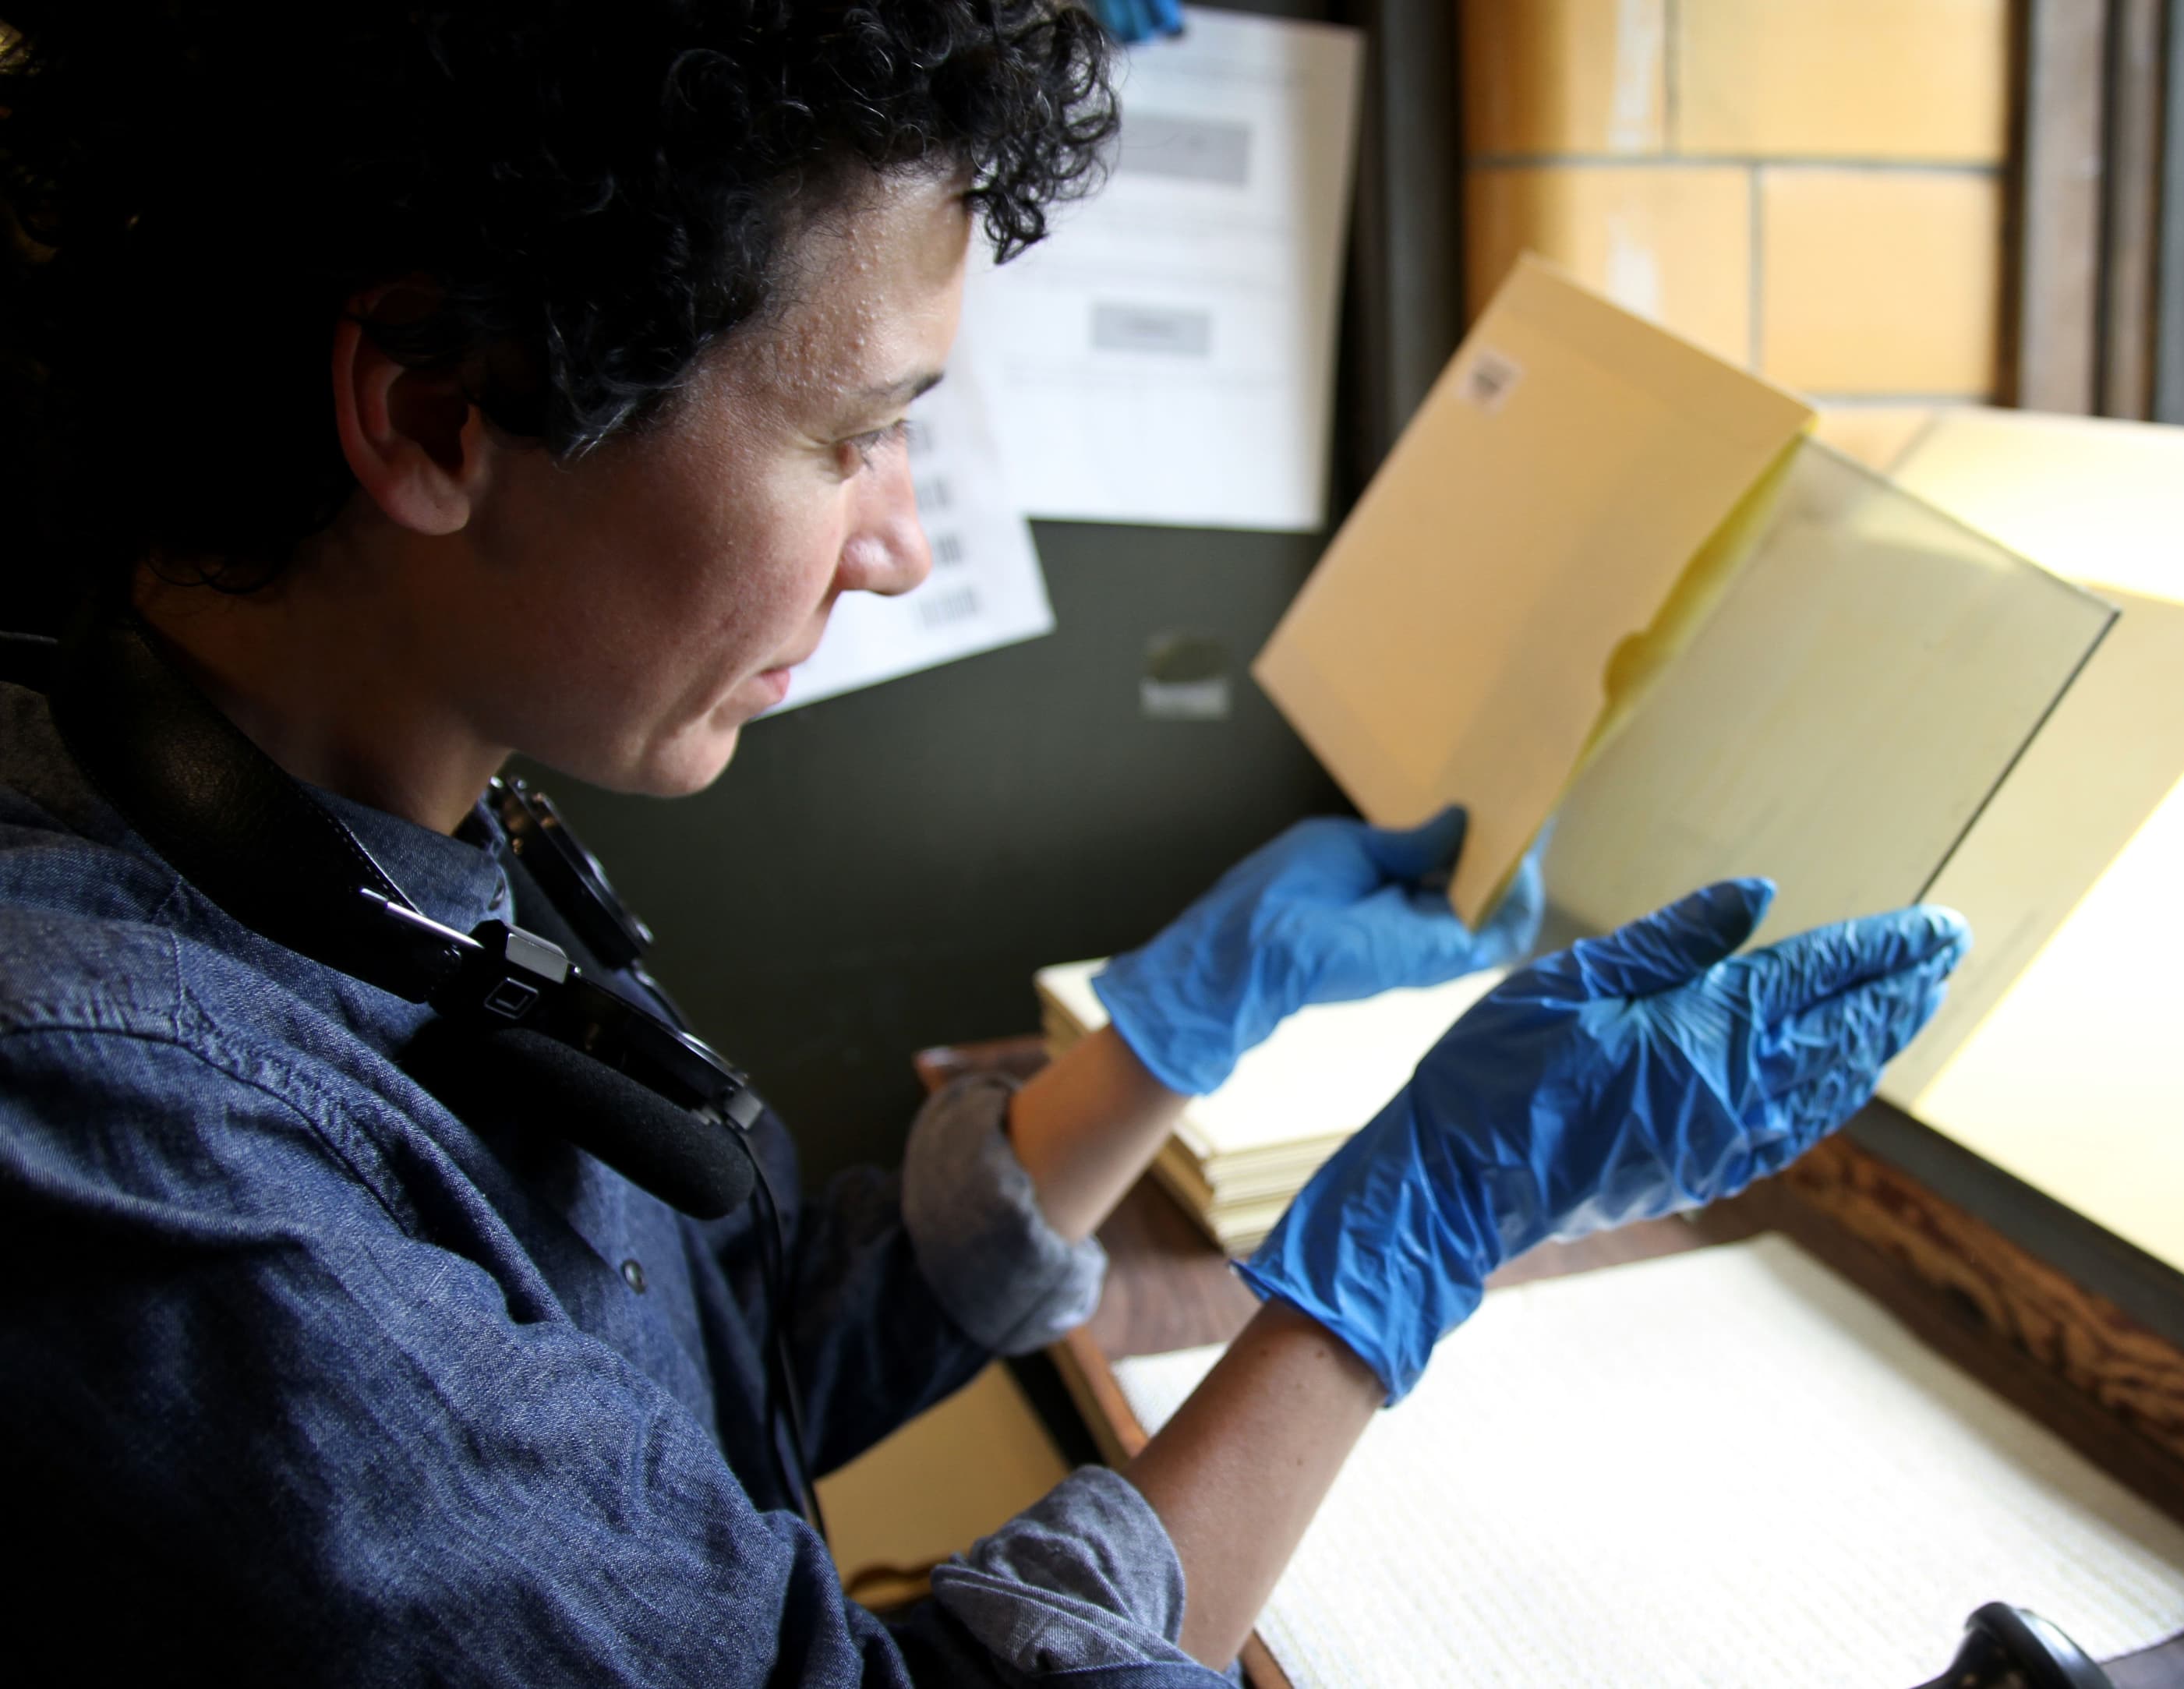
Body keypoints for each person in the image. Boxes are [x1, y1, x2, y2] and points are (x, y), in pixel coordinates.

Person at [0, 3, 1968, 1684]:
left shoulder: (366, 826)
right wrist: (1402, 1256)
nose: (900, 542)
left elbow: (688, 1375)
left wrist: (1169, 1033)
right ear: (437, 415)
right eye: (853, 431)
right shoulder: (134, 1154)